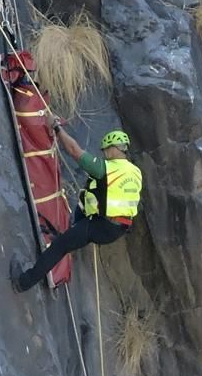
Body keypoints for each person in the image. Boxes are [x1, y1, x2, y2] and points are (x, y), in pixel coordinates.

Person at [14, 123, 142, 292]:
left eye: (105, 150)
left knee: (60, 246)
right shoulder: (135, 172)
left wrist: (57, 128)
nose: (104, 154)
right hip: (118, 228)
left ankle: (23, 282)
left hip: (101, 225)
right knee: (84, 203)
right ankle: (72, 234)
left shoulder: (107, 169)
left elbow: (74, 150)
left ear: (113, 148)